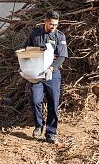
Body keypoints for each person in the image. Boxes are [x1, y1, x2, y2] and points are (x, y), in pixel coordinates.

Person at [25, 10, 68, 144]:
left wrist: (51, 68)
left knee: (53, 103)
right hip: (37, 73)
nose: (53, 27)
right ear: (46, 22)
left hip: (52, 74)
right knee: (35, 100)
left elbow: (62, 56)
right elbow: (26, 50)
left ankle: (51, 132)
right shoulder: (35, 34)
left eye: (56, 24)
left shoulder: (60, 36)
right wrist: (24, 66)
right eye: (51, 24)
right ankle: (38, 125)